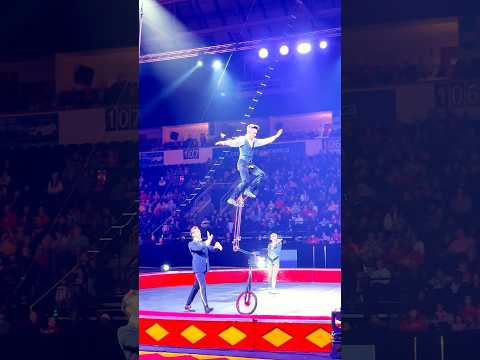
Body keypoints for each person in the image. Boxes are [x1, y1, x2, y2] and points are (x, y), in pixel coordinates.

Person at [215, 124, 283, 206]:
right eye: (253, 133)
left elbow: (265, 141)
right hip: (242, 163)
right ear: (248, 131)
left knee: (261, 174)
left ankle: (248, 190)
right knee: (246, 181)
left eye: (256, 133)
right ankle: (231, 198)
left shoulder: (254, 141)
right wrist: (223, 142)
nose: (255, 135)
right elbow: (232, 142)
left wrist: (276, 136)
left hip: (249, 164)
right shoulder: (242, 140)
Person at [185, 226, 223, 313]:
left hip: (204, 268)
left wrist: (216, 247)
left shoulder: (203, 242)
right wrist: (207, 241)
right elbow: (199, 248)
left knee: (196, 287)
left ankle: (187, 305)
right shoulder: (191, 244)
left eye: (199, 231)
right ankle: (206, 307)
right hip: (198, 268)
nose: (199, 233)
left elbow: (211, 249)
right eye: (197, 232)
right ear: (193, 234)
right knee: (202, 286)